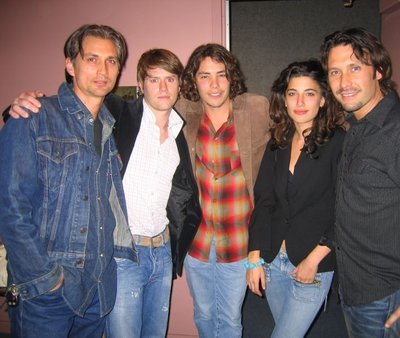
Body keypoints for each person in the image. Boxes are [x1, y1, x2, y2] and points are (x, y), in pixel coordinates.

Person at [5, 48, 202, 338]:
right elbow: (73, 105)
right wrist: (21, 106)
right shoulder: (120, 114)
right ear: (140, 84)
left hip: (161, 252)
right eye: (154, 79)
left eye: (170, 79)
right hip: (123, 253)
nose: (163, 87)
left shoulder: (179, 130)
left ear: (179, 85)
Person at [0, 24, 137, 337]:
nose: (103, 69)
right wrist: (45, 276)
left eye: (112, 61)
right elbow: (9, 206)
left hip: (98, 285)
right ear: (70, 64)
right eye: (92, 59)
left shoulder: (109, 126)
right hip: (49, 290)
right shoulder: (33, 117)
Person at [320, 27, 400, 337]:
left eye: (354, 68)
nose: (343, 82)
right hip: (355, 286)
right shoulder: (358, 127)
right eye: (335, 72)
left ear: (378, 70)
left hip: (385, 296)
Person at [175, 43, 270, 337]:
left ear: (232, 77)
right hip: (198, 240)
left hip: (238, 237)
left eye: (221, 74)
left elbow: (301, 118)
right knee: (203, 314)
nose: (214, 85)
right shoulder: (184, 112)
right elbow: (133, 109)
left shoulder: (255, 108)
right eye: (205, 76)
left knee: (229, 318)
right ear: (194, 81)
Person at [246, 59, 346, 337]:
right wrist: (254, 255)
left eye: (309, 93)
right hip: (274, 259)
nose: (300, 101)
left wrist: (314, 259)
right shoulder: (278, 140)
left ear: (324, 99)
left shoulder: (339, 144)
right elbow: (264, 199)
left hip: (313, 261)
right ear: (284, 99)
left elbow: (345, 210)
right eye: (292, 93)